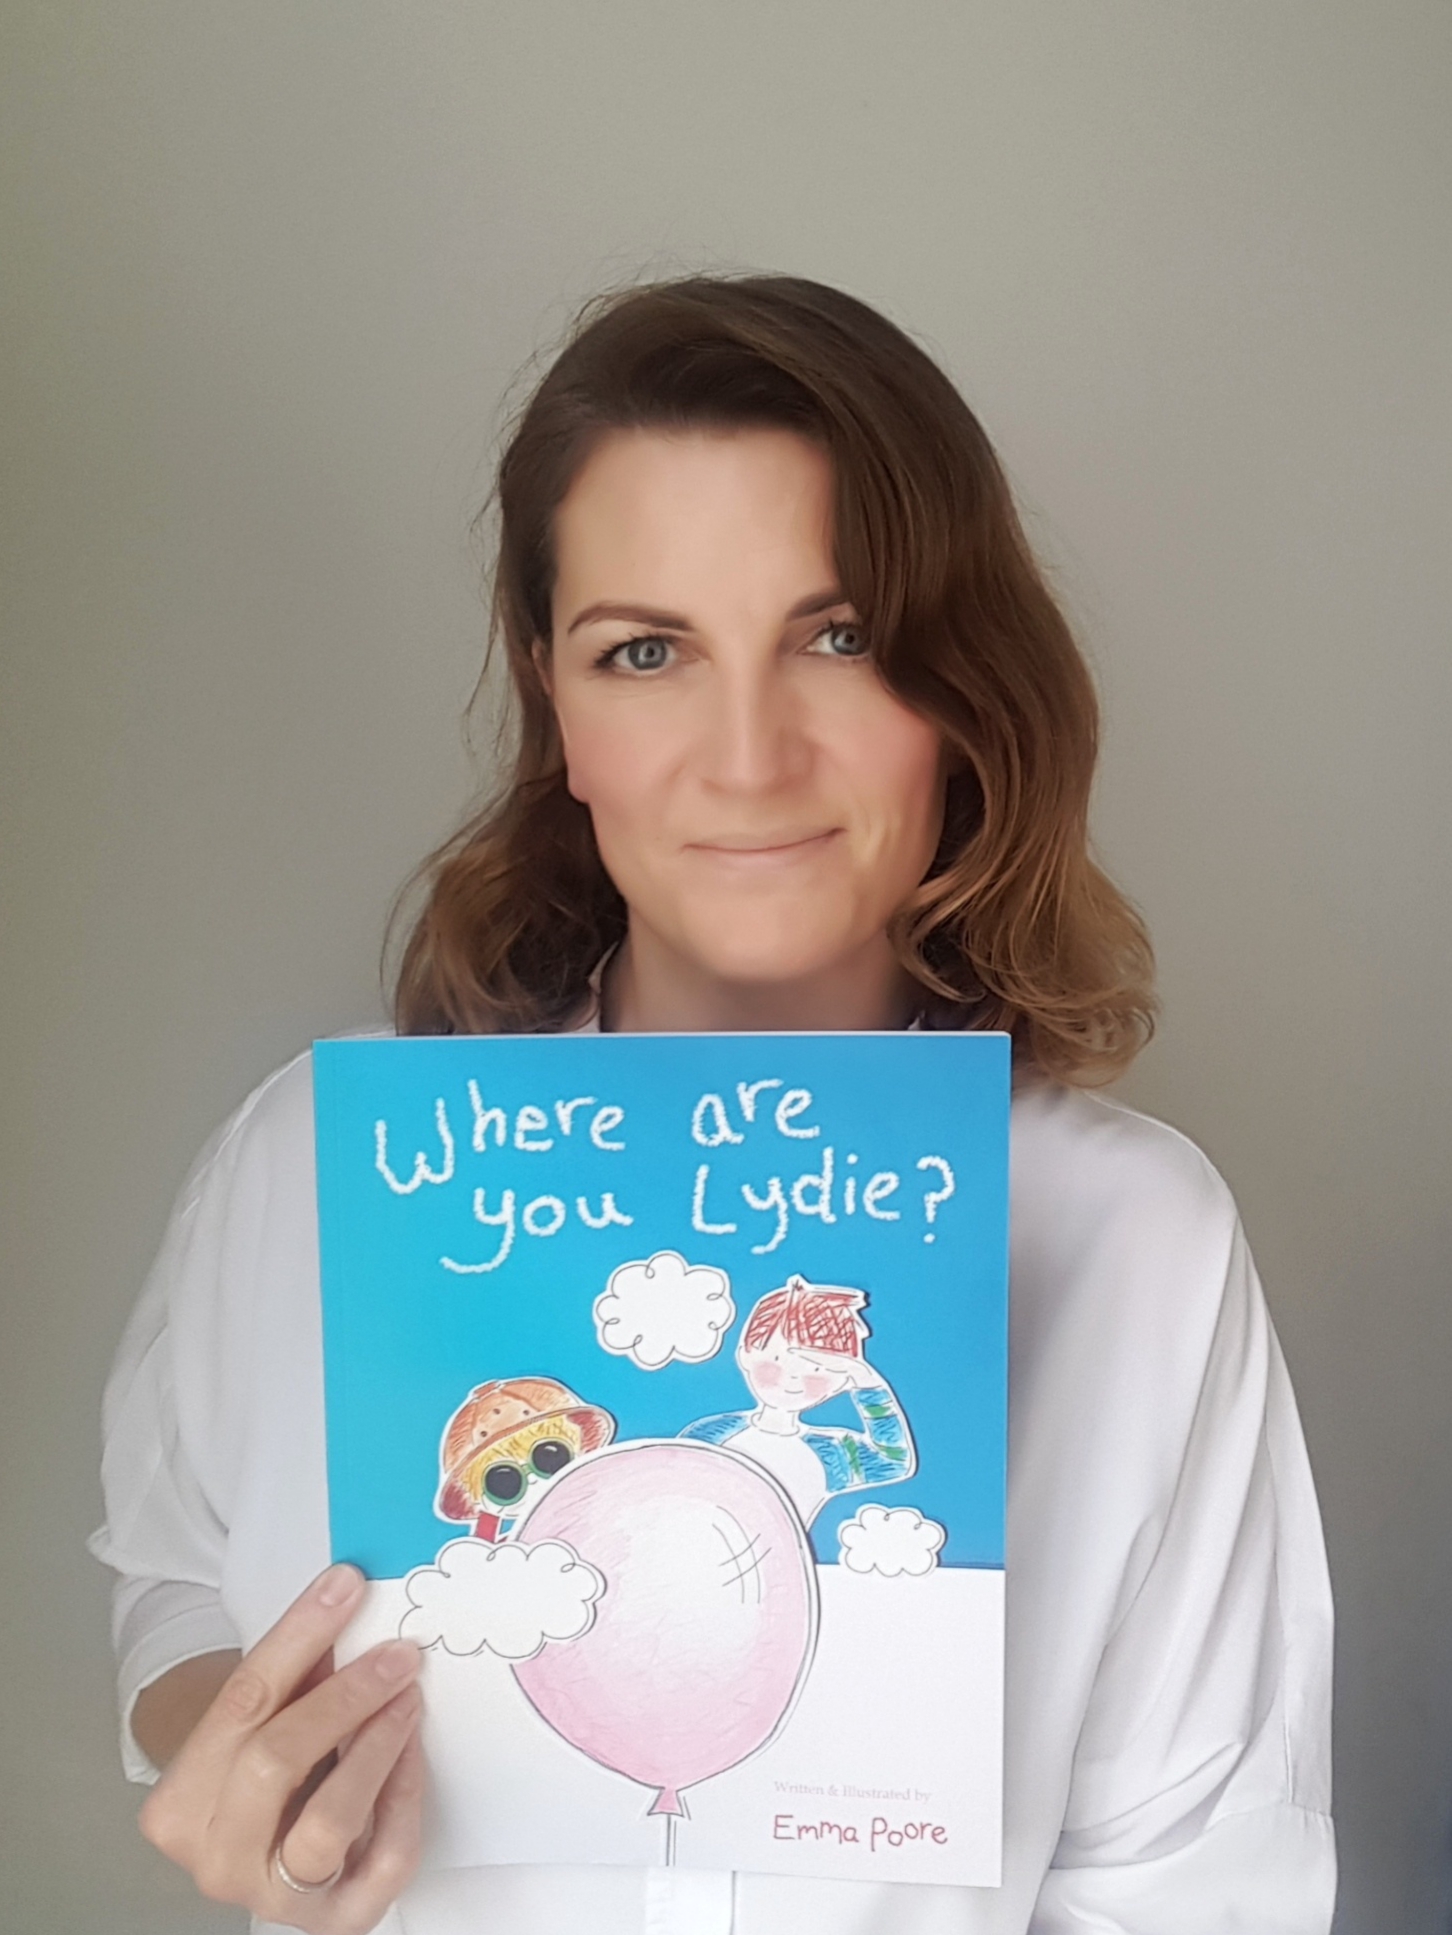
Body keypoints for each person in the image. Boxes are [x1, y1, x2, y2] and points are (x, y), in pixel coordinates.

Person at [89, 273, 1335, 1935]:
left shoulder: (1135, 1241)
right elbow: (175, 1567)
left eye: (840, 636)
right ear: (556, 703)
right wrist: (244, 1750)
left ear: (960, 693)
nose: (749, 757)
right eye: (646, 651)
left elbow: (1192, 1883)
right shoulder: (304, 1166)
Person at [679, 1276, 915, 1527]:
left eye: (815, 1369)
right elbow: (668, 1481)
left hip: (778, 1552)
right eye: (777, 1360)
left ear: (839, 1382)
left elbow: (893, 1461)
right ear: (746, 1354)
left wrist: (867, 1383)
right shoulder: (711, 1434)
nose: (792, 1377)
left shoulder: (831, 1453)